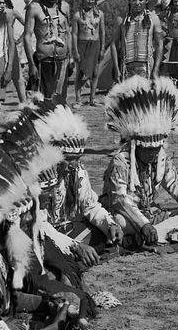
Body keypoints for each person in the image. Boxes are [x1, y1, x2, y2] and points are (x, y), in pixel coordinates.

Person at [0, 113, 101, 330]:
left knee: (64, 323)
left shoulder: (0, 255)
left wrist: (46, 304)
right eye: (25, 225)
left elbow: (9, 302)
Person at [101, 75, 178, 246]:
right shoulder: (121, 162)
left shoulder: (160, 156)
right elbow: (120, 201)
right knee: (120, 223)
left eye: (155, 150)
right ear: (137, 146)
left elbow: (176, 186)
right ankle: (165, 235)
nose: (152, 154)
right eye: (148, 150)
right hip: (125, 216)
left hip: (150, 215)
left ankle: (155, 236)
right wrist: (143, 224)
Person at [30, 101, 123, 267]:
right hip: (44, 236)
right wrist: (75, 246)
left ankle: (72, 257)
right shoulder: (37, 178)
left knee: (106, 233)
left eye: (77, 159)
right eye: (69, 160)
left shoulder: (77, 171)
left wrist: (110, 225)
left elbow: (90, 206)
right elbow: (40, 225)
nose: (74, 165)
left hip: (70, 230)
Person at [24, 0, 72, 99]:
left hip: (62, 60)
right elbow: (27, 37)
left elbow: (67, 33)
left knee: (60, 99)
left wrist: (71, 57)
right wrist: (31, 64)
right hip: (43, 60)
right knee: (43, 99)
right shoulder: (34, 8)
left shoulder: (65, 7)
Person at [115, 0, 162, 80]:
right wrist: (116, 69)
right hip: (126, 66)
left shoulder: (153, 18)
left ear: (146, 1)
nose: (137, 3)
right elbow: (113, 44)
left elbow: (160, 43)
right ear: (129, 1)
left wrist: (156, 69)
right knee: (128, 94)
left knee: (145, 94)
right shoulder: (122, 19)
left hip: (147, 66)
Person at [72, 0, 105, 107]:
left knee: (95, 73)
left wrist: (102, 49)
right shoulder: (77, 15)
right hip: (82, 44)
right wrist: (75, 50)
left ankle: (92, 99)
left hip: (95, 44)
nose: (90, 1)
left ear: (95, 1)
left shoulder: (100, 14)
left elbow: (102, 32)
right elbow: (74, 34)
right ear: (83, 0)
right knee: (80, 73)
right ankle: (78, 100)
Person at [0, 0, 28, 104]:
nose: (1, 5)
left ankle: (23, 103)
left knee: (17, 76)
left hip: (10, 45)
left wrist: (20, 39)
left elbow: (27, 25)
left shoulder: (12, 12)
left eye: (3, 2)